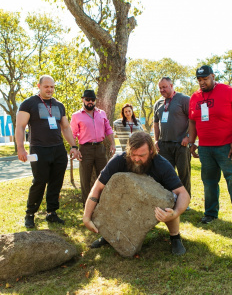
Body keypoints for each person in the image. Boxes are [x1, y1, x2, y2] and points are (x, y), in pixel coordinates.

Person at [83, 131, 190, 255]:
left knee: (170, 200)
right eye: (133, 154)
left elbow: (183, 194)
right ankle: (109, 236)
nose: (136, 159)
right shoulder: (118, 160)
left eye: (141, 155)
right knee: (106, 193)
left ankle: (175, 237)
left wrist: (175, 213)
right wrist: (86, 217)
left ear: (151, 151)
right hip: (123, 201)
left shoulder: (162, 165)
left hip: (153, 205)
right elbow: (97, 188)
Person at [188, 65, 232, 228]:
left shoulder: (229, 91)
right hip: (205, 148)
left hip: (228, 147)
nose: (202, 83)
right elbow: (192, 120)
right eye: (199, 80)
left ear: (213, 76)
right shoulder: (195, 97)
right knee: (209, 182)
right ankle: (210, 213)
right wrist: (192, 141)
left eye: (205, 79)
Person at [15, 75, 81, 228]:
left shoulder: (59, 105)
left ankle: (51, 213)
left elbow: (65, 127)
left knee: (56, 182)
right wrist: (20, 148)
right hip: (39, 149)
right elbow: (20, 127)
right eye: (46, 86)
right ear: (39, 86)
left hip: (58, 149)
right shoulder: (29, 103)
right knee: (39, 181)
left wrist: (73, 146)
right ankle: (30, 214)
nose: (49, 89)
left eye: (52, 87)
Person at [70, 90, 116, 205]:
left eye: (92, 100)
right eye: (87, 99)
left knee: (104, 176)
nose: (90, 102)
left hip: (100, 148)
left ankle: (103, 203)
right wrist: (74, 148)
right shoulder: (76, 116)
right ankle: (87, 204)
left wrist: (113, 143)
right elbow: (72, 133)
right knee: (85, 178)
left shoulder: (102, 113)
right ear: (83, 100)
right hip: (85, 149)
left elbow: (108, 129)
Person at [154, 77, 191, 198]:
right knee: (166, 174)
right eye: (160, 88)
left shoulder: (184, 99)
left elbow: (193, 119)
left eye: (164, 87)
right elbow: (155, 123)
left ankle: (185, 199)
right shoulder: (158, 103)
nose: (162, 90)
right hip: (164, 145)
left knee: (183, 173)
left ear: (171, 85)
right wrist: (156, 140)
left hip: (181, 144)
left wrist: (188, 136)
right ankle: (170, 198)